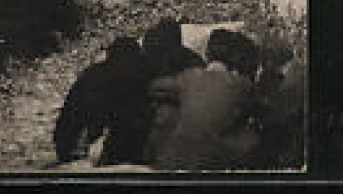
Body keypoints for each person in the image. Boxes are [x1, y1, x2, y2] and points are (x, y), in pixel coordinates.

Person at [147, 28, 263, 170]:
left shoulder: (190, 76)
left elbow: (155, 87)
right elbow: (262, 111)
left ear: (207, 55)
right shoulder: (241, 84)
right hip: (214, 162)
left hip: (173, 159)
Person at [53, 36, 150, 165]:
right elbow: (92, 117)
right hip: (80, 146)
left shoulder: (97, 73)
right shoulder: (102, 79)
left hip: (75, 141)